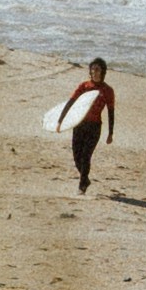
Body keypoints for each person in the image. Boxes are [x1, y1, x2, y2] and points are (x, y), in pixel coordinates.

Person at [58, 58, 113, 192]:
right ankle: (85, 179)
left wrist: (110, 133)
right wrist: (60, 120)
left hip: (94, 127)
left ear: (103, 71)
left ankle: (82, 186)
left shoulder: (107, 91)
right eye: (93, 69)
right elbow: (70, 102)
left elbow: (111, 112)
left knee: (86, 156)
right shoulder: (84, 86)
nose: (94, 72)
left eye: (98, 69)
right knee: (77, 157)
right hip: (79, 125)